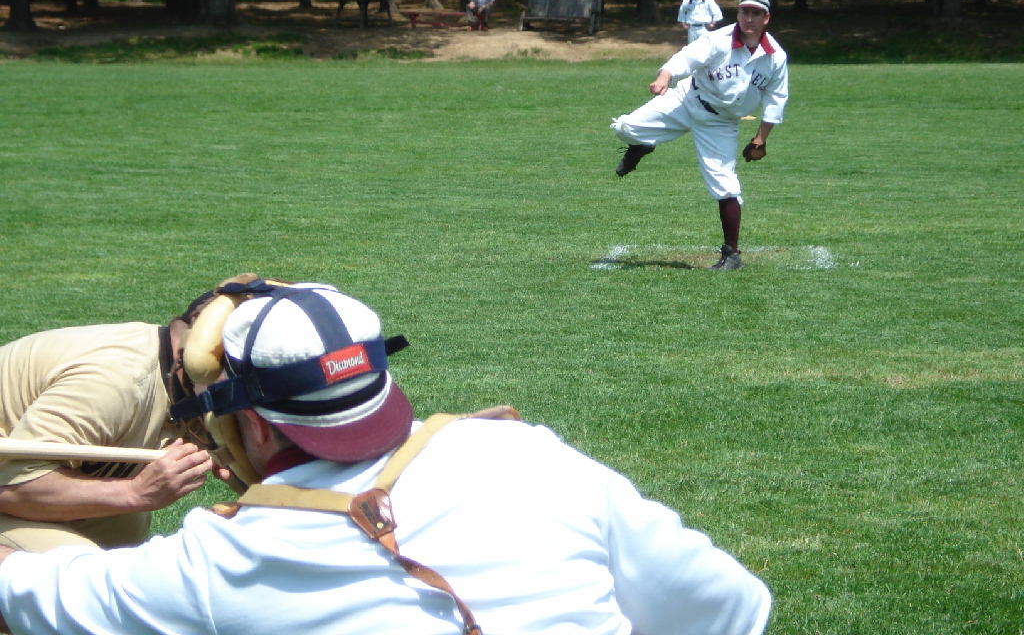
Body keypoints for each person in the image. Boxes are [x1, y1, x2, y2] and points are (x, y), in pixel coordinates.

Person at [0, 278, 772, 635]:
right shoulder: (528, 456)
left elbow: (40, 593)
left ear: (257, 428)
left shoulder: (225, 558)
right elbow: (730, 609)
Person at [0, 294, 218, 553]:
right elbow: (12, 486)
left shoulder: (185, 380)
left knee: (125, 532)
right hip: (13, 484)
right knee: (82, 569)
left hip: (22, 479)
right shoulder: (118, 381)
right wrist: (136, 492)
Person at [611, 0, 789, 271]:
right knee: (625, 127)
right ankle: (643, 144)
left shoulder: (775, 57)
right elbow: (686, 57)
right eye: (745, 11)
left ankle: (732, 255)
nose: (749, 18)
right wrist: (664, 76)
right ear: (739, 12)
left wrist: (760, 138)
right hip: (687, 99)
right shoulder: (719, 39)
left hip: (721, 122)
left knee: (725, 184)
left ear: (766, 18)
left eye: (756, 13)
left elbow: (777, 99)